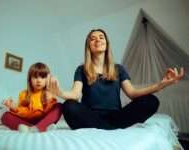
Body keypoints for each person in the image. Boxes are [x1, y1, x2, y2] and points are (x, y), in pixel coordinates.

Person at [46, 29, 184, 130]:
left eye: (101, 37)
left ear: (106, 43)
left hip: (116, 117)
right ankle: (110, 129)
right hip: (89, 116)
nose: (98, 40)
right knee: (69, 106)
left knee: (151, 101)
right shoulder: (81, 69)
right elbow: (75, 95)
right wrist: (60, 92)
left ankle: (104, 127)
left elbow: (133, 93)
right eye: (92, 38)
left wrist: (160, 85)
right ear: (89, 46)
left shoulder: (119, 69)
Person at [1, 62, 62, 132]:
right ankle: (32, 128)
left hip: (44, 120)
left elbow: (49, 112)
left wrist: (49, 100)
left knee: (59, 106)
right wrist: (15, 108)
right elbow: (25, 113)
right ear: (30, 79)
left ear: (47, 79)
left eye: (42, 77)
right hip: (28, 121)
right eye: (35, 77)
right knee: (5, 116)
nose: (39, 80)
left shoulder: (49, 93)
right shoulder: (23, 94)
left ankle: (40, 127)